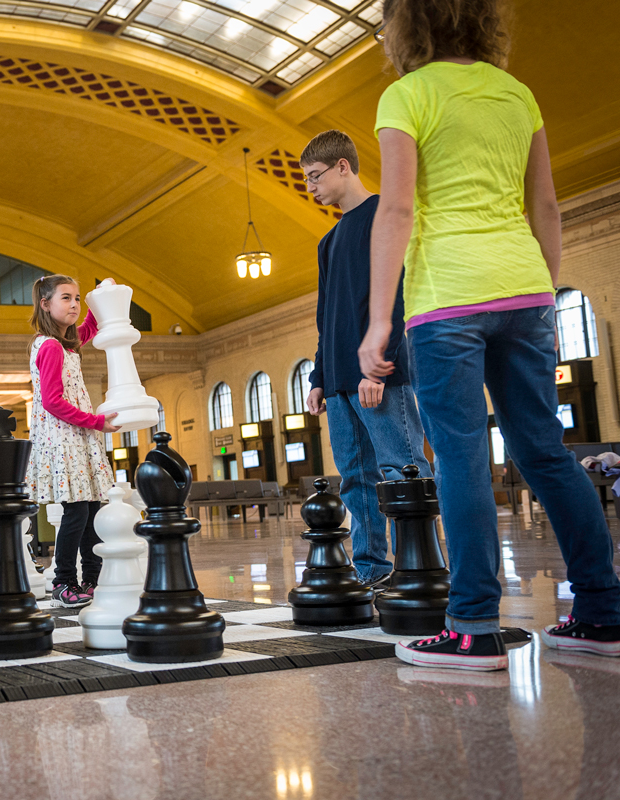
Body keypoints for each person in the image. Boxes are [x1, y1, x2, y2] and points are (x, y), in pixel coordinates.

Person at [359, 0, 620, 670]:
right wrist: (542, 291)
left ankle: (473, 625)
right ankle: (602, 610)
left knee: (461, 457)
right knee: (546, 452)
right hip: (526, 288)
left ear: (405, 24)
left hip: (448, 297)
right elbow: (546, 205)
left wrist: (379, 321)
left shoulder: (406, 95)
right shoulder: (516, 94)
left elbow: (395, 208)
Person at [301, 129, 433, 589]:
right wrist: (319, 375)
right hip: (339, 383)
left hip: (380, 375)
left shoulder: (385, 215)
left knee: (403, 470)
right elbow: (326, 317)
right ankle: (371, 569)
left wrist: (382, 365)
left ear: (343, 166)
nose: (311, 187)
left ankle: (422, 565)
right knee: (356, 479)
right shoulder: (328, 241)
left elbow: (401, 297)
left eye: (316, 176)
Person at [26, 274, 120, 608]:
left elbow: (90, 329)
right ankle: (64, 581)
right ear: (46, 304)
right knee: (77, 512)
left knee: (92, 508)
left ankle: (92, 578)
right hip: (65, 438)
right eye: (66, 298)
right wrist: (95, 421)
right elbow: (52, 401)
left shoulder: (66, 342)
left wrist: (99, 295)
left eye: (77, 298)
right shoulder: (50, 346)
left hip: (77, 436)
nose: (74, 305)